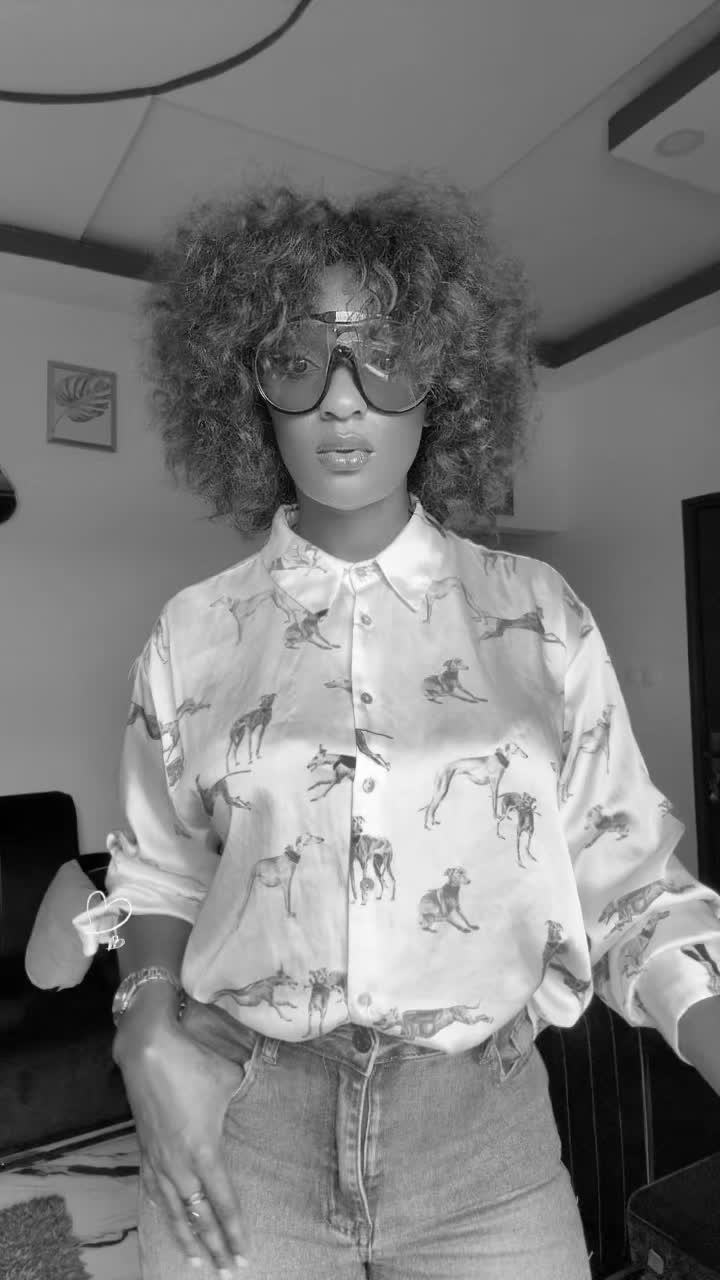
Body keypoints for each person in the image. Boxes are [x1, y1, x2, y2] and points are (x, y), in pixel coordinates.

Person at [107, 180, 720, 1280]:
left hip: (483, 1147)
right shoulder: (193, 633)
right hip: (245, 1128)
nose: (343, 401)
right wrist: (144, 1015)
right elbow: (163, 872)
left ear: (442, 381)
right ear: (249, 389)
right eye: (298, 358)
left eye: (383, 356)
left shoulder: (538, 615)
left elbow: (625, 879)